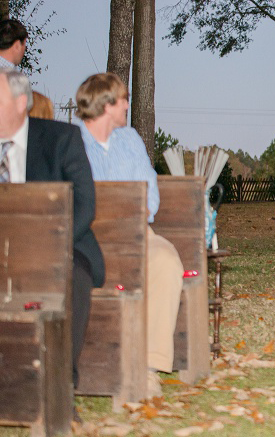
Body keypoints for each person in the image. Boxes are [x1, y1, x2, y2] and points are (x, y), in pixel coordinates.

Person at [0, 68, 105, 404]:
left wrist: (46, 247)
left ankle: (60, 389)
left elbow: (85, 204)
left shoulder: (61, 138)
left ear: (20, 102)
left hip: (65, 247)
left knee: (69, 277)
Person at [75, 72, 183, 397]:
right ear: (108, 104)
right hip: (87, 237)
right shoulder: (69, 140)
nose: (127, 106)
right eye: (124, 100)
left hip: (136, 233)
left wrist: (133, 217)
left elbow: (149, 194)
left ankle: (148, 368)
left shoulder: (131, 139)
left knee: (166, 260)